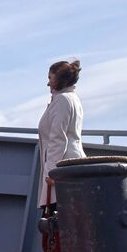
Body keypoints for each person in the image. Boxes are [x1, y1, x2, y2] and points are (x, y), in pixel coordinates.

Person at [37, 59, 85, 207]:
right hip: (70, 167)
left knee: (59, 221)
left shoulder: (62, 100)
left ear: (59, 79)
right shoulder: (72, 99)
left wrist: (51, 173)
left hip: (62, 170)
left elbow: (58, 139)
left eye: (50, 78)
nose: (48, 83)